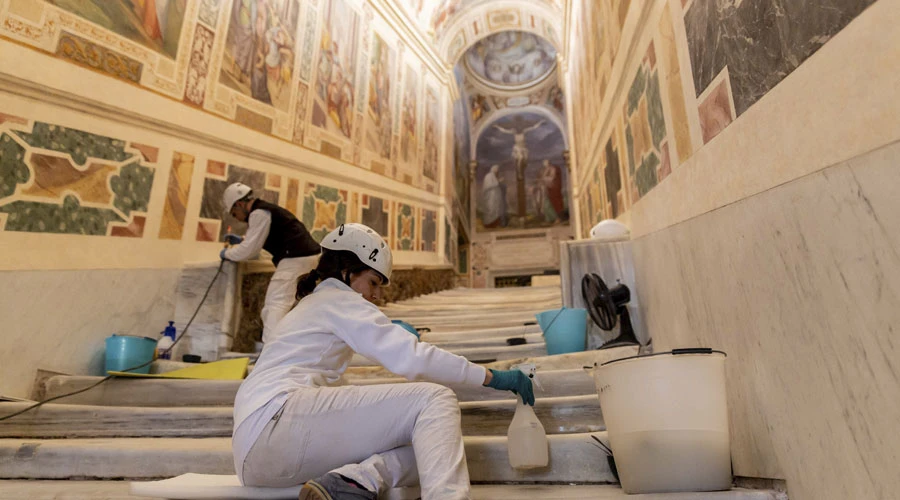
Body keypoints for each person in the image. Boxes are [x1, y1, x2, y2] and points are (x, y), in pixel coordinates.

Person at [232, 223, 534, 500]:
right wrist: (491, 376)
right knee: (435, 399)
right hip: (275, 424)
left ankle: (351, 482)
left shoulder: (317, 305)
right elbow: (412, 358)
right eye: (374, 282)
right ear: (348, 271)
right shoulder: (338, 300)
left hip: (260, 453)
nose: (377, 295)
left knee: (432, 448)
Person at [220, 182, 321, 343]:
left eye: (234, 213)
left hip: (295, 259)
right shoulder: (265, 210)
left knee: (275, 306)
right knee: (295, 307)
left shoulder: (258, 213)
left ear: (239, 204)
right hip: (308, 257)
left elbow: (249, 250)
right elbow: (260, 238)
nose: (237, 218)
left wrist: (227, 254)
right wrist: (243, 240)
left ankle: (271, 350)